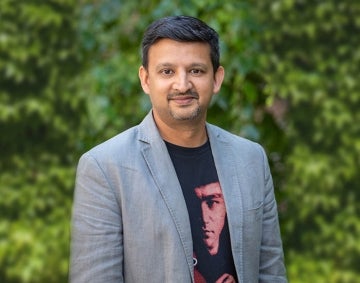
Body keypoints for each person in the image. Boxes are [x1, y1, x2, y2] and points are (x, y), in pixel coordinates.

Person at [70, 15, 287, 283]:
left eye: (196, 70)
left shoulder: (251, 159)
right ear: (145, 79)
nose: (182, 85)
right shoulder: (105, 167)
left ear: (217, 79)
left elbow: (271, 273)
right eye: (167, 71)